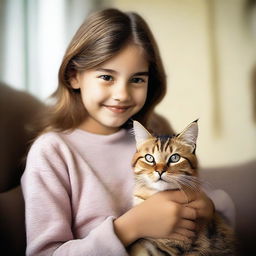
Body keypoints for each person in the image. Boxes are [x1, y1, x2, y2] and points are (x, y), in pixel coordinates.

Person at [21, 8, 234, 256]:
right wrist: (129, 227)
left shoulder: (157, 131)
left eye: (137, 80)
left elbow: (201, 194)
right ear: (74, 76)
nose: (122, 94)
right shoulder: (52, 151)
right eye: (106, 77)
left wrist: (208, 207)